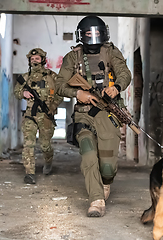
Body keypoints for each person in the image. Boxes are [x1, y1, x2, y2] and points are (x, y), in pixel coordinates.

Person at [55, 16, 131, 217]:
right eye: (89, 33)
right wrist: (77, 94)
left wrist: (116, 88)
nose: (93, 37)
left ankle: (105, 183)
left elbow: (125, 73)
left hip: (107, 112)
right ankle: (96, 200)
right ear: (82, 35)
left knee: (108, 167)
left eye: (97, 32)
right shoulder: (73, 57)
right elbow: (59, 84)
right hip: (83, 114)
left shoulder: (111, 52)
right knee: (88, 154)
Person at [14, 48, 63, 184]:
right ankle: (30, 173)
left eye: (37, 58)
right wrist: (22, 93)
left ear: (43, 59)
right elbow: (16, 91)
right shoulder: (25, 77)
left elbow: (60, 93)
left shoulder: (52, 76)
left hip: (46, 115)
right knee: (28, 144)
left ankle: (48, 162)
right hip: (30, 114)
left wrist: (53, 107)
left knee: (45, 145)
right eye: (32, 59)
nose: (34, 61)